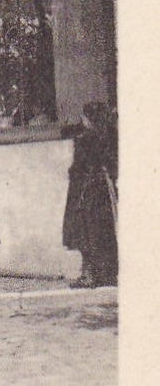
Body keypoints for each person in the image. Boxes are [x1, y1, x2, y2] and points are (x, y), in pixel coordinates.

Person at [63, 102, 118, 287]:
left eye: (84, 116)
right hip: (103, 189)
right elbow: (113, 164)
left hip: (86, 190)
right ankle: (107, 274)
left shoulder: (85, 139)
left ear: (89, 119)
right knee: (104, 231)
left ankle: (90, 275)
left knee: (85, 230)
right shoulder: (110, 136)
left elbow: (77, 168)